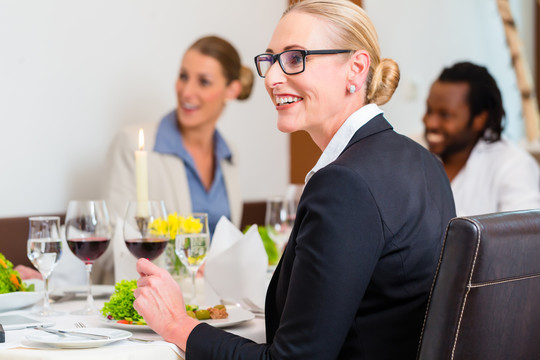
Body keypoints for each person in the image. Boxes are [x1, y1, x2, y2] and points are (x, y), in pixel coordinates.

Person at [132, 1, 456, 359]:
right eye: (270, 60)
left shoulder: (343, 184)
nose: (271, 78)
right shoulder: (425, 163)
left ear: (356, 68)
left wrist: (179, 324)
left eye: (295, 58)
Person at [97, 35, 254, 283]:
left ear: (231, 90)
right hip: (155, 300)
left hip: (213, 301)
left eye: (203, 81)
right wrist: (186, 267)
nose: (186, 91)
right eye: (183, 76)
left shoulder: (229, 155)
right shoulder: (133, 145)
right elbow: (110, 250)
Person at [422, 61, 540, 216]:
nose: (430, 123)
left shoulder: (514, 166)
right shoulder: (409, 150)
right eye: (429, 110)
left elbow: (520, 237)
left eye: (445, 115)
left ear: (480, 119)